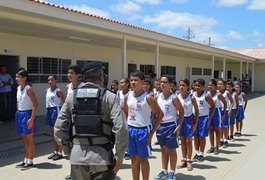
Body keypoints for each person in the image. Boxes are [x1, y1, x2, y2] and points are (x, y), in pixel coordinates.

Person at [54, 61, 128, 180]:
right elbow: (121, 128)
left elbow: (58, 127)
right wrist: (120, 155)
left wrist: (68, 150)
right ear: (101, 77)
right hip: (102, 157)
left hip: (78, 157)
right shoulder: (110, 97)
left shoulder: (72, 96)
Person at [124, 70, 163, 180]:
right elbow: (125, 112)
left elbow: (160, 114)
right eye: (131, 80)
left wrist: (151, 133)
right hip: (131, 129)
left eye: (136, 80)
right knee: (133, 158)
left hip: (143, 130)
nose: (133, 82)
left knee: (143, 159)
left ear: (142, 82)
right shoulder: (128, 96)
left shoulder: (148, 97)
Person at [154, 75, 184, 180]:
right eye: (161, 82)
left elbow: (182, 112)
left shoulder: (174, 98)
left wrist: (179, 125)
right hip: (160, 126)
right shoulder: (157, 97)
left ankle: (172, 171)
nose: (162, 84)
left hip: (170, 126)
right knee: (163, 149)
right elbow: (155, 112)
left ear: (170, 85)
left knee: (171, 150)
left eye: (165, 82)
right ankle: (164, 171)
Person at [15, 68, 38, 168]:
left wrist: (31, 119)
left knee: (29, 139)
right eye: (16, 76)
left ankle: (30, 160)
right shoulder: (18, 88)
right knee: (24, 139)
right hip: (19, 114)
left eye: (18, 77)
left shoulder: (28, 89)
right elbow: (19, 101)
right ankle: (26, 159)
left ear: (24, 78)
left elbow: (35, 104)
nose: (16, 78)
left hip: (27, 114)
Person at [64, 64, 85, 180]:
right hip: (70, 121)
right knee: (72, 146)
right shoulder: (69, 87)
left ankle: (81, 173)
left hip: (80, 122)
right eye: (68, 73)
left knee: (80, 147)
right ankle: (73, 172)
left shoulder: (83, 87)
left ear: (78, 75)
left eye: (72, 73)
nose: (69, 75)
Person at [177, 79, 199, 171]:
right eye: (180, 85)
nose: (181, 87)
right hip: (180, 120)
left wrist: (195, 124)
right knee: (182, 140)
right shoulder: (177, 97)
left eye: (184, 85)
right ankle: (184, 159)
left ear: (187, 87)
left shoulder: (191, 97)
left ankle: (189, 160)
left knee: (188, 141)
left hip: (189, 119)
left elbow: (197, 111)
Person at [192, 78, 215, 162]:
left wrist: (209, 119)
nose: (197, 87)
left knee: (202, 136)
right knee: (196, 136)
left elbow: (213, 107)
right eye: (196, 85)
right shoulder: (192, 95)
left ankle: (201, 153)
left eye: (199, 86)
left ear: (203, 86)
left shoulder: (206, 95)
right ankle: (196, 152)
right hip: (194, 117)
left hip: (203, 118)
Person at [46, 74, 65, 161]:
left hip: (55, 110)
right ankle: (55, 151)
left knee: (57, 133)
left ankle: (60, 152)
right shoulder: (47, 90)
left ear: (56, 81)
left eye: (52, 80)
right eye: (49, 80)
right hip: (49, 111)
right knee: (52, 133)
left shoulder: (58, 91)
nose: (50, 81)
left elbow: (64, 102)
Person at [206, 79, 226, 155]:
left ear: (215, 86)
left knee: (217, 130)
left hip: (217, 112)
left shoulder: (218, 94)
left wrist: (223, 114)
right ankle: (212, 146)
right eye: (209, 85)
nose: (210, 86)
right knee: (211, 130)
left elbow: (225, 103)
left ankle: (216, 146)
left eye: (212, 85)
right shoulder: (207, 94)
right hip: (209, 112)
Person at [217, 79, 233, 148]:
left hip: (225, 111)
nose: (219, 86)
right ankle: (221, 140)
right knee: (219, 126)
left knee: (225, 126)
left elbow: (232, 102)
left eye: (221, 84)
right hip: (218, 111)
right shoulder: (216, 92)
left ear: (224, 85)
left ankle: (225, 140)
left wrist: (230, 110)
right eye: (218, 84)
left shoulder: (227, 93)